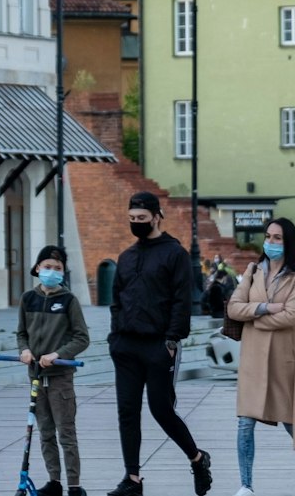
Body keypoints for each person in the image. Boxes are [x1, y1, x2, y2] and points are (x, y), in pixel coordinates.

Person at [107, 192, 212, 496]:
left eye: (141, 218)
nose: (136, 224)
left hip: (157, 345)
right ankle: (133, 479)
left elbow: (182, 301)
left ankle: (197, 458)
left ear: (156, 216)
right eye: (131, 219)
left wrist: (171, 340)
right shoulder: (126, 256)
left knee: (160, 409)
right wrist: (115, 337)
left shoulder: (174, 253)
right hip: (125, 345)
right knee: (127, 412)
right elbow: (116, 300)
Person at [225, 218, 295, 496]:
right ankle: (246, 485)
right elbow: (233, 308)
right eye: (268, 236)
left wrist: (253, 316)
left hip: (282, 359)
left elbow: (291, 316)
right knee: (245, 422)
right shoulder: (254, 270)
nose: (271, 242)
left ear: (287, 242)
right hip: (253, 359)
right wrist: (267, 307)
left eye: (277, 238)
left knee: (293, 424)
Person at [17, 245, 91, 496]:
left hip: (60, 378)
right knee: (45, 432)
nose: (51, 272)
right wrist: (25, 350)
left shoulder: (68, 300)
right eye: (47, 267)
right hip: (36, 377)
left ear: (63, 272)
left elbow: (82, 338)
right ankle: (54, 481)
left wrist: (58, 355)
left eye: (57, 268)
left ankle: (74, 485)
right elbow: (21, 334)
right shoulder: (28, 299)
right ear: (38, 268)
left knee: (65, 433)